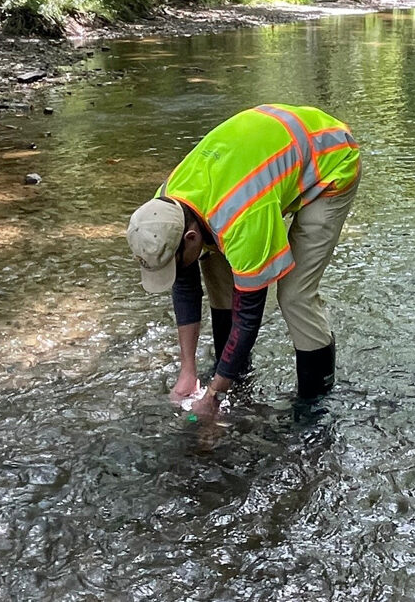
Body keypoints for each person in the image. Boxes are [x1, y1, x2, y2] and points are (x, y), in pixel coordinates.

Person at [127, 104, 360, 419]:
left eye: (176, 262)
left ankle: (315, 405)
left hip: (330, 161)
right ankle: (235, 377)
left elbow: (249, 315)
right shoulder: (163, 208)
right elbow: (185, 284)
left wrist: (211, 395)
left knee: (293, 296)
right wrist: (188, 371)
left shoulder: (242, 218)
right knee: (214, 267)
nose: (176, 271)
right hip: (265, 160)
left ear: (190, 238)